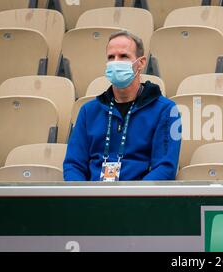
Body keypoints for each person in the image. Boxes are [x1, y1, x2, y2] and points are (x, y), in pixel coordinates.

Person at [64, 30, 181, 181]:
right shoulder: (88, 111)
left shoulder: (166, 110)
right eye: (111, 57)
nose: (116, 62)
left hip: (138, 200)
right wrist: (84, 198)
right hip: (92, 198)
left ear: (141, 63)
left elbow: (165, 168)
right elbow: (73, 165)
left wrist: (131, 199)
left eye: (124, 56)